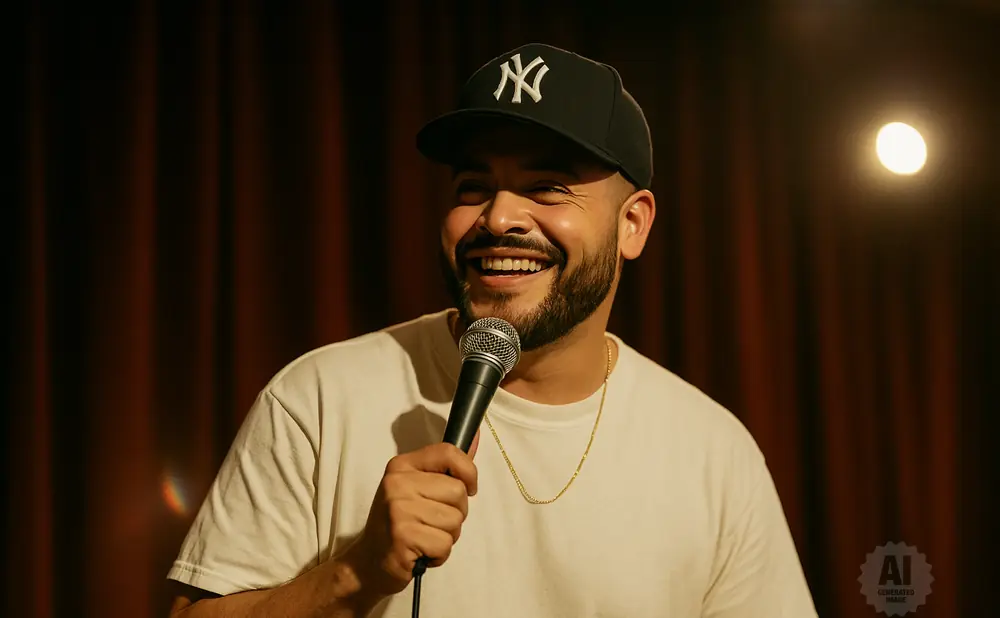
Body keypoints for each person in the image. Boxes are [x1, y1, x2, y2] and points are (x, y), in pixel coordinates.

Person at [166, 43, 817, 618]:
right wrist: (352, 576)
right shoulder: (319, 396)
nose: (499, 216)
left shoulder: (712, 452)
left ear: (633, 224)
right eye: (474, 186)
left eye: (547, 187)